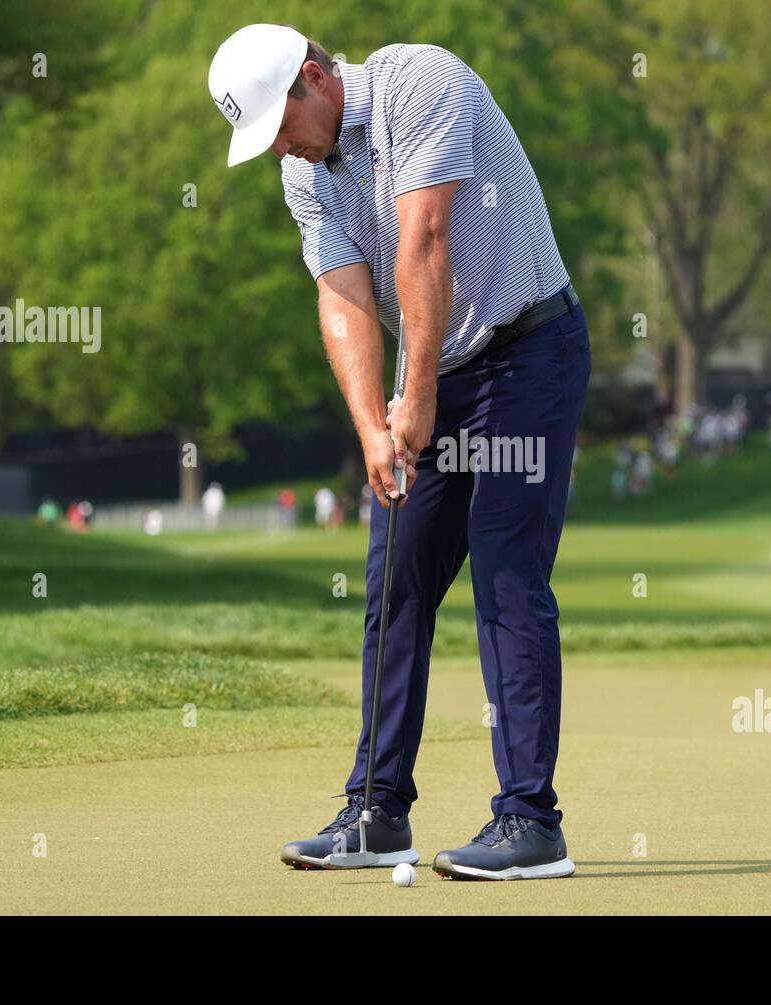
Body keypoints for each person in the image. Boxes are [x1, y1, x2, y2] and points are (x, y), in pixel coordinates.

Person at [209, 24, 588, 879]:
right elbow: (342, 297)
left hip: (527, 349)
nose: (278, 146)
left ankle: (530, 821)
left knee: (504, 567)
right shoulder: (302, 172)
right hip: (438, 363)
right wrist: (375, 428)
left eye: (279, 123)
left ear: (315, 77)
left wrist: (415, 397)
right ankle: (377, 812)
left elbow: (424, 242)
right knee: (394, 579)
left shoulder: (422, 83)